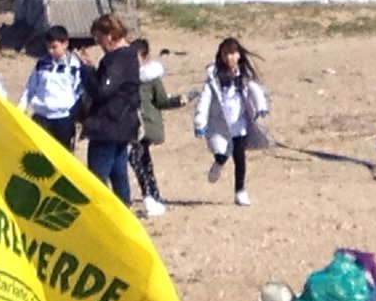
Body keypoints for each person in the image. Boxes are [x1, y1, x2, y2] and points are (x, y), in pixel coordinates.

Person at [194, 36, 270, 206]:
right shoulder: (214, 79)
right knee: (222, 153)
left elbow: (255, 90)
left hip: (239, 125)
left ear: (239, 55)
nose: (230, 57)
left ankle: (240, 191)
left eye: (233, 53)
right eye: (226, 54)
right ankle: (218, 163)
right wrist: (200, 122)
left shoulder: (243, 76)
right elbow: (204, 101)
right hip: (220, 125)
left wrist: (261, 106)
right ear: (221, 56)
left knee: (239, 158)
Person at [79, 14, 142, 206]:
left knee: (96, 181)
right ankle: (124, 215)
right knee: (119, 175)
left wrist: (87, 72)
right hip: (121, 126)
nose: (99, 44)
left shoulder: (118, 58)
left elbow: (102, 90)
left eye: (99, 39)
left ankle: (102, 220)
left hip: (108, 126)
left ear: (110, 35)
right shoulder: (127, 56)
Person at [131, 37, 184, 218]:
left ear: (145, 57)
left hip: (146, 126)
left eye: (136, 57)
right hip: (131, 125)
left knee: (138, 159)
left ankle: (149, 196)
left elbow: (161, 101)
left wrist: (179, 101)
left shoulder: (151, 78)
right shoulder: (125, 76)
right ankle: (154, 195)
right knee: (142, 160)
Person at [19, 25, 85, 149]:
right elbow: (31, 88)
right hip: (41, 117)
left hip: (63, 119)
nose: (50, 51)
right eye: (48, 47)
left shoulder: (74, 66)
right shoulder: (41, 63)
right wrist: (21, 108)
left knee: (62, 158)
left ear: (65, 44)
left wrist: (72, 110)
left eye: (54, 47)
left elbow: (79, 90)